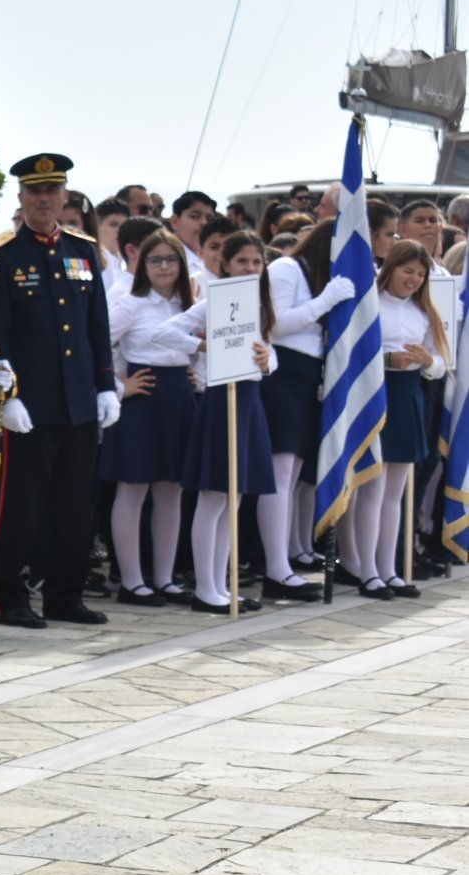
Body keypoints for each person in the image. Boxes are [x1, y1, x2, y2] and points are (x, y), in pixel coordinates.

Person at [0, 153, 116, 628]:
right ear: (20, 198)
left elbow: (95, 326)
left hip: (79, 399)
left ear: (64, 196)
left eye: (52, 191)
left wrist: (106, 385)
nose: (44, 200)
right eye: (35, 192)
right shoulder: (1, 255)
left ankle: (66, 595)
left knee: (74, 505)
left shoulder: (83, 250)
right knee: (20, 505)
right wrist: (10, 394)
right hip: (30, 403)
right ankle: (9, 596)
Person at [159, 232, 278, 613]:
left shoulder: (259, 305)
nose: (250, 268)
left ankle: (221, 585)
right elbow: (164, 332)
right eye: (242, 261)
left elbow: (269, 351)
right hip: (220, 398)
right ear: (225, 263)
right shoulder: (213, 302)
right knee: (213, 497)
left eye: (257, 262)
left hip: (250, 399)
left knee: (235, 498)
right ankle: (205, 587)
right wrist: (202, 345)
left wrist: (266, 360)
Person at [340, 240, 449, 598]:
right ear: (391, 269)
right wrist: (389, 362)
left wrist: (425, 360)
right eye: (407, 271)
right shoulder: (371, 305)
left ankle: (389, 569)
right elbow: (351, 354)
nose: (414, 279)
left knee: (395, 494)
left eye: (420, 274)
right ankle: (366, 569)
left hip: (409, 398)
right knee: (372, 488)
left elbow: (440, 365)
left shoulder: (425, 312)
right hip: (376, 397)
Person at [99, 231, 198, 606]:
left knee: (171, 490)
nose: (163, 266)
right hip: (142, 399)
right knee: (133, 488)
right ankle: (132, 581)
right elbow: (99, 344)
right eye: (155, 259)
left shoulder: (188, 305)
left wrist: (191, 372)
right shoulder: (131, 303)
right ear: (142, 264)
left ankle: (165, 577)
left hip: (178, 397)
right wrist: (121, 387)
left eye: (171, 259)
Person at [257, 219, 352, 599]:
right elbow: (276, 324)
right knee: (280, 473)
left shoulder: (315, 277)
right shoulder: (286, 268)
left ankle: (290, 557)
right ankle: (275, 569)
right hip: (282, 372)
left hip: (308, 373)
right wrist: (327, 299)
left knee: (295, 473)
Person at [170, 189, 217, 282]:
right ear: (175, 221)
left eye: (209, 219)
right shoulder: (164, 263)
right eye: (195, 216)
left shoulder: (217, 259)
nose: (204, 223)